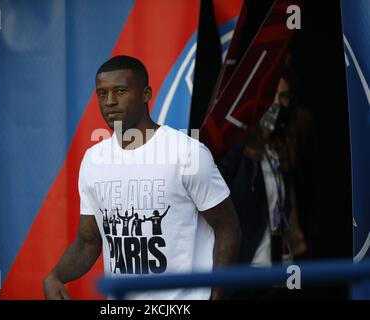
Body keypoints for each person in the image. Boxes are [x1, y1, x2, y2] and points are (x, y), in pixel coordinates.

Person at [43, 55, 241, 300]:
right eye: (102, 94)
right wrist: (54, 276)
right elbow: (88, 241)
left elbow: (228, 228)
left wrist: (217, 295)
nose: (110, 102)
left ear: (146, 94)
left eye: (121, 91)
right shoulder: (94, 160)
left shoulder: (187, 153)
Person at [218, 68, 310, 298]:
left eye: (284, 97)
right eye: (272, 96)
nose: (277, 105)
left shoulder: (280, 150)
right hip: (243, 271)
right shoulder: (236, 151)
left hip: (278, 270)